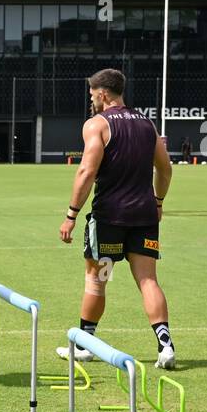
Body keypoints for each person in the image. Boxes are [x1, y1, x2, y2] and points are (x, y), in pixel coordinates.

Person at [57, 68, 176, 370]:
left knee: (98, 281)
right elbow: (165, 170)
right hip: (144, 216)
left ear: (103, 94)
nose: (91, 99)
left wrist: (71, 214)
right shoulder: (147, 125)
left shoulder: (97, 124)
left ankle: (85, 345)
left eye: (92, 94)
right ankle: (165, 345)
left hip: (110, 217)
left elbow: (86, 171)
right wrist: (158, 201)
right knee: (148, 280)